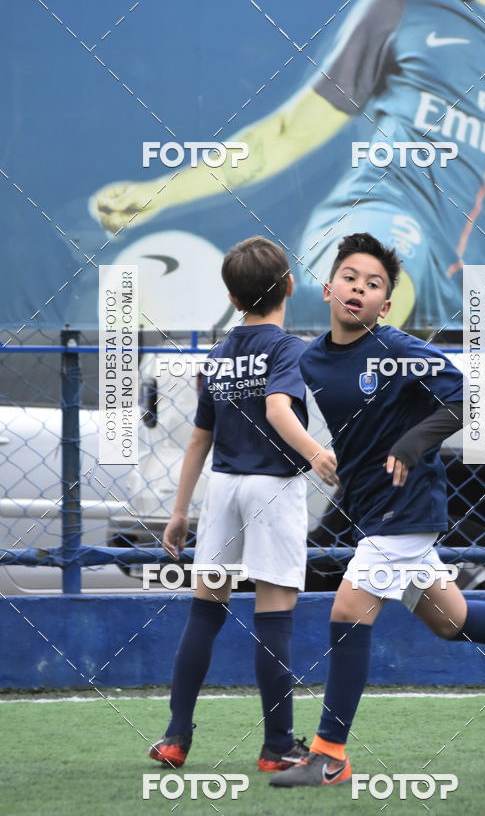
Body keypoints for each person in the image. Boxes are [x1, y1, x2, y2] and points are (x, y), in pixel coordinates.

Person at [89, 0, 485, 329]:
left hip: (458, 285)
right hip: (375, 219)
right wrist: (163, 190)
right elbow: (285, 134)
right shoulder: (402, 5)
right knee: (375, 275)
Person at [268, 232, 485, 788]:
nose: (359, 288)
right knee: (452, 619)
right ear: (328, 288)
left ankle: (329, 755)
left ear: (386, 305)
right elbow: (277, 400)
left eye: (374, 284)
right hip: (371, 508)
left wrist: (412, 443)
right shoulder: (313, 358)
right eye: (350, 277)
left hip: (409, 504)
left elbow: (469, 398)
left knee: (348, 611)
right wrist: (312, 453)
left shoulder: (398, 350)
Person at [149, 235, 338, 770]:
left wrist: (180, 510)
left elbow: (197, 440)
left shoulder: (216, 355)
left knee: (205, 613)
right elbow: (280, 409)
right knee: (274, 616)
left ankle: (175, 737)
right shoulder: (290, 349)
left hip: (223, 488)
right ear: (291, 287)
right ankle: (277, 747)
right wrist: (317, 453)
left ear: (232, 299)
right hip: (273, 486)